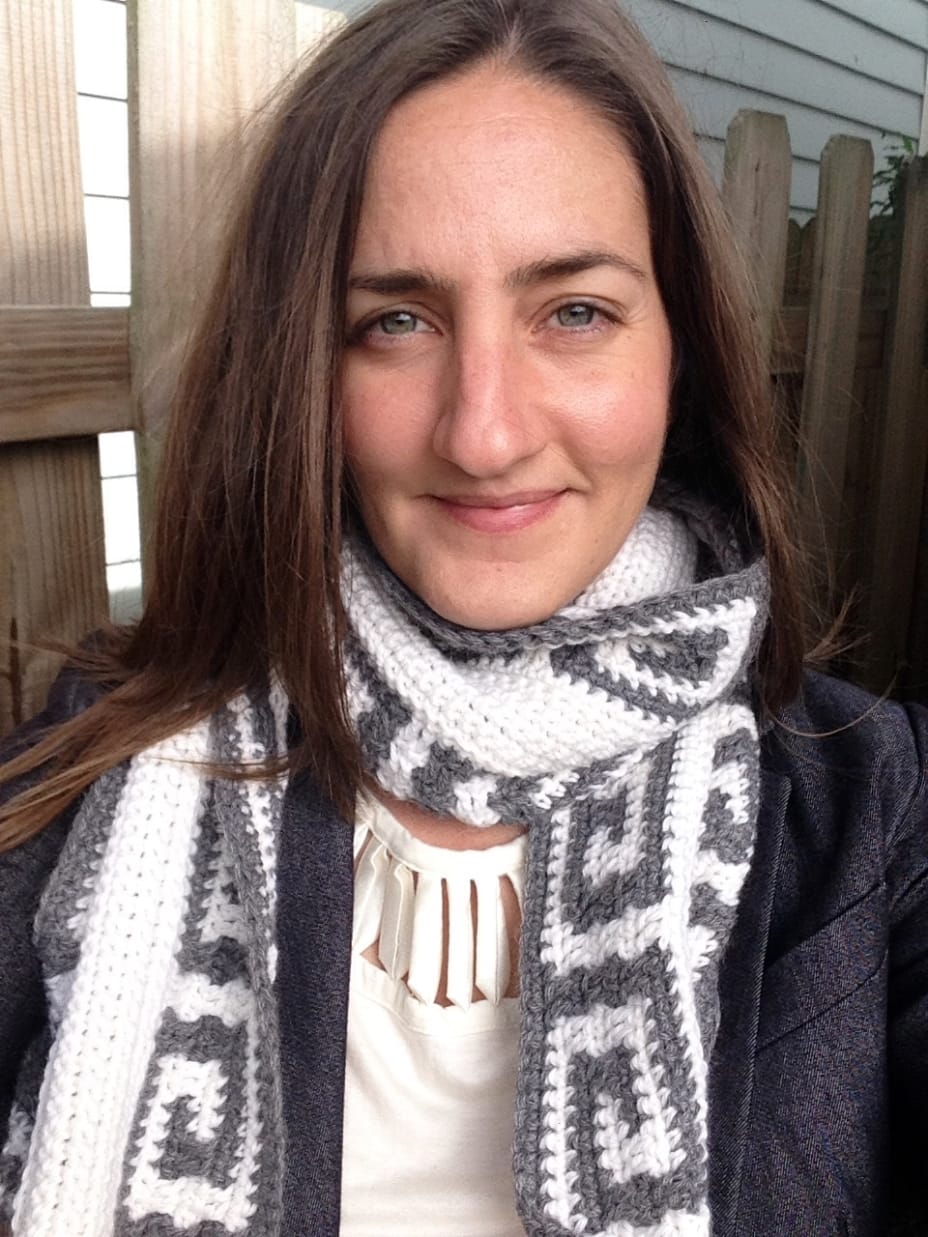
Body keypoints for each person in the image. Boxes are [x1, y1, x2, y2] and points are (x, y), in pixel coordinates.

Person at [0, 0, 925, 1234]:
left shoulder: (870, 813)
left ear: (680, 351)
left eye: (575, 311)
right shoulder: (88, 785)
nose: (483, 432)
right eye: (396, 323)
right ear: (304, 374)